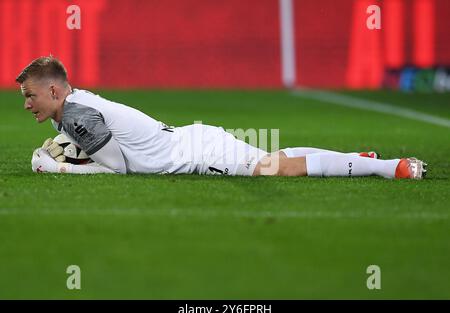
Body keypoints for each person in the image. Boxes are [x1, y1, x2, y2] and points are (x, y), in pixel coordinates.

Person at [17, 56, 426, 179]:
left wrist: (60, 169)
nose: (27, 104)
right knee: (277, 158)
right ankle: (364, 159)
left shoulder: (76, 114)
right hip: (192, 141)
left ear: (54, 90)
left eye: (30, 95)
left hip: (195, 153)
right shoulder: (72, 108)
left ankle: (390, 168)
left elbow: (120, 170)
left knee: (275, 170)